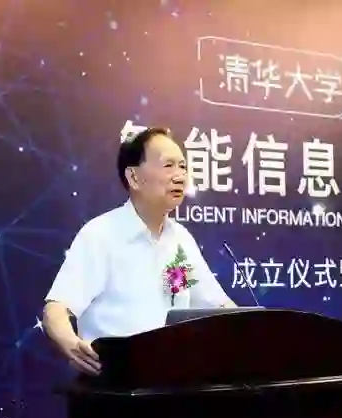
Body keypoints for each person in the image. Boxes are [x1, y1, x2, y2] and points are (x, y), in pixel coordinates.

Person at [43, 122, 235, 375]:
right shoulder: (101, 234)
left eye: (183, 166)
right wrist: (71, 345)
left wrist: (255, 327)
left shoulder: (181, 239)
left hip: (172, 382)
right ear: (134, 177)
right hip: (114, 383)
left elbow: (219, 308)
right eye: (168, 166)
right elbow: (55, 309)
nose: (180, 176)